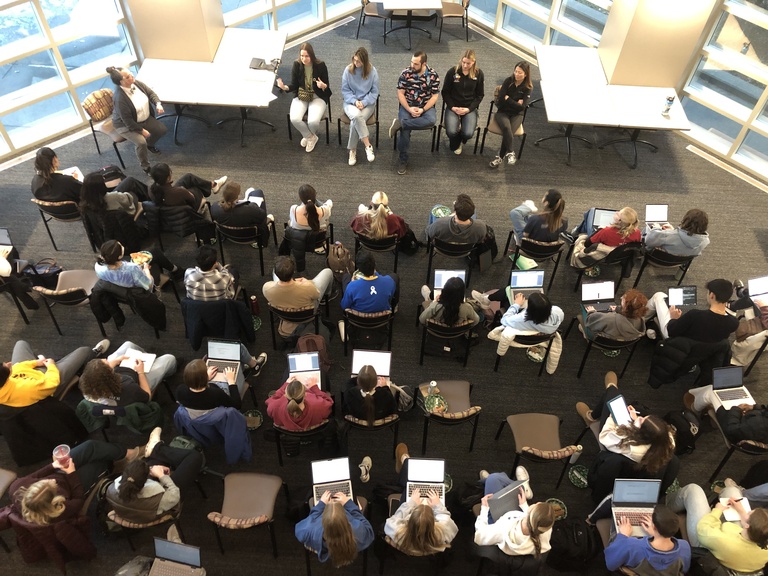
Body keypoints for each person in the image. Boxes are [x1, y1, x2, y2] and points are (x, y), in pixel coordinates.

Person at [10, 440, 143, 518]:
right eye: (53, 486)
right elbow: (78, 500)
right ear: (56, 498)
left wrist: (53, 465)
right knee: (99, 464)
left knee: (90, 447)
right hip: (74, 488)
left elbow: (36, 475)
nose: (52, 481)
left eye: (45, 481)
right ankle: (119, 465)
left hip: (61, 473)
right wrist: (72, 473)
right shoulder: (59, 509)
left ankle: (130, 454)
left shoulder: (18, 485)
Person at [577, 372, 675, 471]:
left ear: (642, 434)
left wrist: (613, 416)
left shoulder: (630, 447)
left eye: (641, 421)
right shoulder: (667, 439)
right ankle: (609, 392)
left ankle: (591, 417)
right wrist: (635, 419)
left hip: (613, 443)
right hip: (632, 437)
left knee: (612, 395)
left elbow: (605, 438)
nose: (640, 418)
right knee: (621, 400)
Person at [666, 482, 768, 570]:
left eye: (749, 513)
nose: (747, 512)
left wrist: (717, 510)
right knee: (732, 491)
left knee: (693, 490)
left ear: (747, 525)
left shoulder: (724, 541)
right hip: (733, 539)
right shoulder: (764, 542)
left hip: (705, 544)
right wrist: (742, 512)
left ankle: (665, 507)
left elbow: (703, 529)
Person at [108, 430, 204, 522]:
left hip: (134, 510)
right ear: (146, 481)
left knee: (154, 461)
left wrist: (154, 469)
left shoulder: (111, 489)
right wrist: (162, 476)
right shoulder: (157, 499)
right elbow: (175, 496)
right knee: (195, 457)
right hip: (162, 507)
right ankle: (157, 448)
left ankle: (156, 451)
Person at [385, 443, 458, 555]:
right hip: (431, 549)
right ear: (433, 523)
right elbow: (448, 520)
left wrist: (411, 504)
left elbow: (394, 519)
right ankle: (406, 464)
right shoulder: (443, 531)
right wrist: (437, 505)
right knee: (443, 489)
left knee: (409, 486)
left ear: (410, 522)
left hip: (405, 544)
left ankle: (406, 464)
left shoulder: (397, 531)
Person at [0, 339, 109, 408]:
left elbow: (16, 367)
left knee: (21, 343)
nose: (9, 363)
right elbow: (51, 383)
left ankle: (58, 363)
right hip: (47, 382)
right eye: (7, 367)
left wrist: (35, 363)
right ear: (6, 377)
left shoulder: (4, 383)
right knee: (84, 351)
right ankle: (93, 356)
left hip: (27, 376)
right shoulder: (27, 389)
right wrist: (51, 366)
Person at [474, 469, 555, 558]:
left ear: (530, 512)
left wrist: (484, 509)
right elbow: (532, 522)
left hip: (500, 521)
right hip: (515, 519)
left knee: (494, 479)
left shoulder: (503, 529)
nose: (534, 503)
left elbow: (479, 536)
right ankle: (522, 486)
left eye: (535, 504)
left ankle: (488, 481)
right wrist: (524, 506)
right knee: (499, 479)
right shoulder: (544, 528)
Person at [106, 66, 167, 173]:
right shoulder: (120, 98)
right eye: (128, 76)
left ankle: (150, 144)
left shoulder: (136, 84)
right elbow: (128, 121)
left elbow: (151, 93)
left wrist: (158, 104)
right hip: (125, 125)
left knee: (162, 130)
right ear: (121, 81)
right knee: (141, 142)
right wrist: (141, 131)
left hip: (143, 118)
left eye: (131, 73)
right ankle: (146, 166)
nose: (132, 76)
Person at [390, 51, 441, 175]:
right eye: (412, 62)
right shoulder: (405, 73)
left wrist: (423, 109)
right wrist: (408, 109)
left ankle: (402, 124)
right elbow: (400, 94)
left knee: (431, 121)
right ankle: (403, 159)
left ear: (424, 64)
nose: (412, 65)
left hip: (425, 107)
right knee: (405, 132)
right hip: (408, 106)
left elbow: (434, 96)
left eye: (416, 64)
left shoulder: (433, 75)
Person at [276, 42, 331, 153]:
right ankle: (310, 137)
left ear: (311, 55)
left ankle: (308, 135)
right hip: (302, 94)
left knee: (313, 122)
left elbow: (327, 86)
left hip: (317, 96)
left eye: (306, 56)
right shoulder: (297, 65)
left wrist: (323, 86)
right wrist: (284, 87)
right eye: (302, 56)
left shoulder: (320, 65)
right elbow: (294, 85)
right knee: (294, 118)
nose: (304, 59)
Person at [604, 505, 691, 574]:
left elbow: (610, 565)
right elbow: (684, 570)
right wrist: (656, 534)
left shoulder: (631, 545)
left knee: (618, 531)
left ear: (653, 526)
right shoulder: (685, 547)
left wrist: (623, 536)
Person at [295, 491, 374, 567]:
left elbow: (299, 529)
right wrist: (348, 504)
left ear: (323, 520)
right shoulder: (358, 530)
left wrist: (320, 505)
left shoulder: (310, 530)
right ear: (346, 518)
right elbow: (368, 529)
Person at [644, 278, 739, 341]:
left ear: (712, 295)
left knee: (659, 296)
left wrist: (674, 318)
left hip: (676, 340)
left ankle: (638, 321)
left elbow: (671, 330)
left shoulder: (695, 315)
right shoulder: (734, 322)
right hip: (698, 350)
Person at [262, 256, 334, 338]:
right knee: (328, 272)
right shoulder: (307, 287)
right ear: (293, 271)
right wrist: (307, 282)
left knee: (273, 274)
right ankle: (327, 296)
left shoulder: (267, 288)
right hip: (308, 316)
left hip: (284, 314)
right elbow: (316, 295)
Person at [79, 340, 177, 399]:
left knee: (128, 345)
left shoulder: (88, 389)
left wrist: (115, 361)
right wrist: (141, 372)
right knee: (169, 359)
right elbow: (146, 395)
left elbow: (99, 375)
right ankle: (170, 372)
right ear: (110, 376)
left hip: (122, 376)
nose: (106, 359)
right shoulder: (128, 387)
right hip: (137, 380)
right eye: (108, 363)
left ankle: (147, 357)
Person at [175, 353, 267, 412]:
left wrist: (206, 378)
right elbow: (236, 405)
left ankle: (243, 369)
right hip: (221, 405)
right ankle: (249, 368)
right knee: (234, 370)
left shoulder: (180, 391)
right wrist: (231, 380)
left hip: (198, 414)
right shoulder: (215, 393)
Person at [685, 386, 768, 444]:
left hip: (732, 428)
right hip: (749, 420)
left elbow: (732, 429)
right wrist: (753, 407)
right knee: (734, 391)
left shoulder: (759, 425)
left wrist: (736, 409)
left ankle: (693, 411)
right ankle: (699, 408)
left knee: (711, 391)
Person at [570, 207, 641, 273]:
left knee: (591, 212)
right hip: (618, 256)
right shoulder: (637, 233)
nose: (616, 212)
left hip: (603, 254)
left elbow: (587, 244)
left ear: (619, 221)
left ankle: (576, 231)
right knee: (587, 220)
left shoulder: (606, 231)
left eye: (618, 213)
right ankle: (578, 229)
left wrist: (599, 230)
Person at [489, 61, 532, 168]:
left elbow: (522, 107)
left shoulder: (528, 87)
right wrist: (516, 102)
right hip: (503, 111)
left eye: (520, 73)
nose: (517, 74)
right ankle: (511, 152)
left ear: (525, 74)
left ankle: (499, 157)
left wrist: (508, 99)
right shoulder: (508, 81)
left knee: (509, 133)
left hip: (517, 114)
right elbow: (501, 99)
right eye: (516, 71)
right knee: (506, 128)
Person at [95, 239, 182, 292]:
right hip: (139, 289)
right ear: (119, 256)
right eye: (121, 246)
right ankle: (175, 271)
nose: (122, 246)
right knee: (155, 257)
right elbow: (149, 285)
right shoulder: (132, 268)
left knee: (153, 252)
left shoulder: (98, 266)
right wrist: (146, 270)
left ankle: (175, 270)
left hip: (120, 286)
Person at [441, 49, 484, 155]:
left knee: (468, 134)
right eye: (463, 62)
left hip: (469, 107)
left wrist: (469, 109)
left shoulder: (478, 74)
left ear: (473, 62)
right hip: (454, 106)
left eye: (468, 63)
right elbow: (445, 92)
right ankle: (455, 140)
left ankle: (459, 139)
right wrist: (452, 107)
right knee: (451, 132)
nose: (465, 65)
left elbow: (479, 95)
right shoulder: (452, 72)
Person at [341, 47, 379, 165]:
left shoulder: (373, 72)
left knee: (355, 121)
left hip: (367, 104)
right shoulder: (348, 70)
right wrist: (354, 101)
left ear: (364, 61)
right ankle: (367, 145)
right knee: (357, 116)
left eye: (358, 61)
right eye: (354, 60)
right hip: (350, 103)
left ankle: (352, 150)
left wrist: (364, 102)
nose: (355, 63)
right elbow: (345, 91)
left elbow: (374, 92)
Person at [148, 163, 227, 214]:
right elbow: (192, 200)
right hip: (187, 209)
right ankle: (212, 186)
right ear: (168, 177)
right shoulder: (180, 191)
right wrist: (187, 191)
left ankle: (212, 185)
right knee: (196, 187)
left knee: (188, 177)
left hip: (171, 205)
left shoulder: (151, 190)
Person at [472, 291, 563, 334]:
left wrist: (517, 304)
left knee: (507, 292)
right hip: (539, 331)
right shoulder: (557, 312)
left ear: (529, 308)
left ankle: (486, 299)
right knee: (507, 291)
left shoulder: (520, 319)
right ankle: (486, 299)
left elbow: (504, 320)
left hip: (521, 324)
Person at [265, 377, 333, 431]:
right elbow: (329, 402)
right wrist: (314, 388)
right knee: (323, 374)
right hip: (315, 431)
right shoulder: (319, 406)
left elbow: (271, 400)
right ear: (305, 394)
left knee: (286, 372)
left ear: (285, 395)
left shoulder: (274, 407)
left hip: (289, 435)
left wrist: (284, 385)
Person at [582, 289, 648, 341]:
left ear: (626, 308)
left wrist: (591, 312)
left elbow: (590, 321)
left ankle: (586, 335)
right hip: (623, 342)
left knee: (581, 323)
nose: (621, 297)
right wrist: (618, 309)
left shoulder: (609, 318)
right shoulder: (641, 320)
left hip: (603, 342)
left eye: (624, 299)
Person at [644, 208, 709, 257]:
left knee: (648, 229)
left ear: (686, 221)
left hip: (659, 259)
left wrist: (656, 228)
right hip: (681, 261)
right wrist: (672, 230)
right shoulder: (705, 241)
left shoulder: (668, 235)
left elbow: (648, 241)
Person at [79, 172, 146, 219]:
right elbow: (129, 201)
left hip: (109, 219)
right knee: (132, 190)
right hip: (125, 216)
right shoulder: (113, 197)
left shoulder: (85, 202)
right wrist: (125, 194)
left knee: (129, 181)